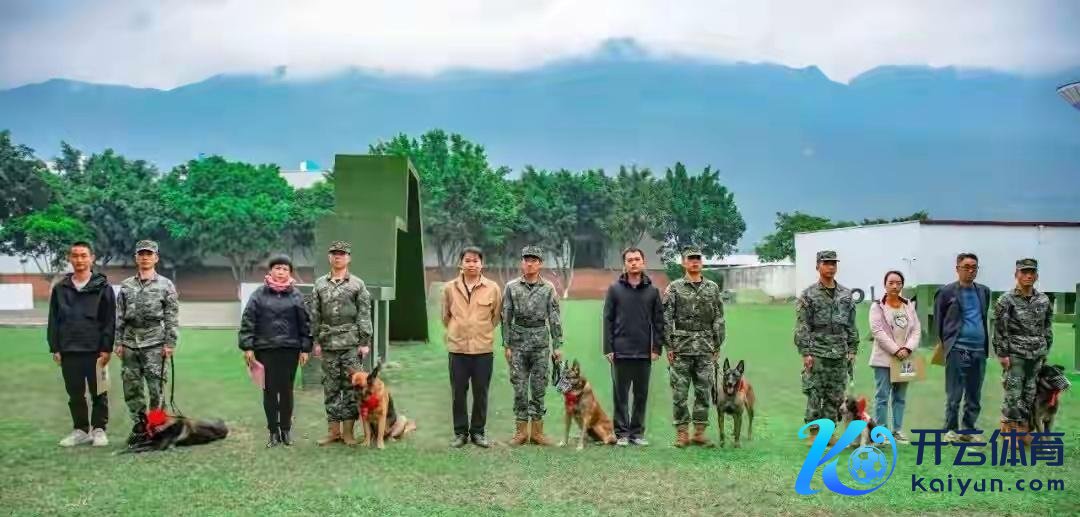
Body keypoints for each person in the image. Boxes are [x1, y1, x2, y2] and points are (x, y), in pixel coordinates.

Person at [47, 241, 116, 447]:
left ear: (92, 258)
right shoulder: (60, 288)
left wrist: (106, 348)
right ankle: (81, 430)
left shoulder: (103, 288)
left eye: (83, 255)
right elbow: (54, 320)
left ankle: (99, 429)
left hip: (96, 351)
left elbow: (109, 320)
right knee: (75, 394)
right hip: (69, 350)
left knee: (99, 392)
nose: (79, 260)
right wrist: (55, 347)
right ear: (70, 258)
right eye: (75, 255)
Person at [239, 255, 312, 448]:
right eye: (277, 268)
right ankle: (273, 431)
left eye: (285, 269)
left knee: (286, 391)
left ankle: (285, 430)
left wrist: (305, 348)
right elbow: (248, 321)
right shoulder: (258, 295)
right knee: (269, 391)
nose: (281, 272)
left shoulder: (296, 295)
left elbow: (305, 324)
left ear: (290, 272)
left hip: (290, 350)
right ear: (270, 271)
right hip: (265, 350)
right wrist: (247, 346)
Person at [115, 240, 180, 445]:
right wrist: (118, 342)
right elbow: (119, 316)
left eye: (149, 254)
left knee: (156, 390)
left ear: (156, 258)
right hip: (130, 343)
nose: (145, 257)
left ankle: (157, 429)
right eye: (141, 254)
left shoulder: (166, 285)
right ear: (136, 258)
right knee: (132, 388)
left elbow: (171, 317)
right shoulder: (126, 285)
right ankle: (140, 427)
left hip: (155, 344)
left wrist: (170, 343)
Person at [309, 241, 372, 446]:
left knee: (352, 388)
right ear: (329, 258)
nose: (338, 257)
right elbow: (315, 314)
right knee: (331, 388)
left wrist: (364, 341)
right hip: (328, 344)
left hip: (351, 344)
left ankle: (348, 433)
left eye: (342, 254)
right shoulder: (319, 284)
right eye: (334, 254)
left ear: (348, 258)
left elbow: (364, 313)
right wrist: (316, 340)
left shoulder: (357, 284)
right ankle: (333, 431)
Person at [663, 246, 725, 448]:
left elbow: (719, 317)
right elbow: (666, 318)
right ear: (684, 263)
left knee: (704, 392)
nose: (695, 262)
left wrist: (717, 344)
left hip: (706, 347)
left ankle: (699, 432)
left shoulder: (712, 288)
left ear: (702, 262)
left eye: (698, 258)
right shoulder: (674, 287)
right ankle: (682, 433)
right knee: (679, 393)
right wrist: (669, 346)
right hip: (681, 348)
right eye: (690, 259)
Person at [502, 245, 563, 446]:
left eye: (534, 260)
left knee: (538, 388)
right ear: (522, 262)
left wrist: (557, 345)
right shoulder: (511, 287)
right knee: (519, 388)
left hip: (540, 344)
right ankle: (520, 432)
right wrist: (506, 345)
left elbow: (554, 318)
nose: (530, 264)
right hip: (518, 343)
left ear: (540, 264)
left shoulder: (548, 288)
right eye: (526, 260)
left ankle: (537, 433)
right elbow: (506, 317)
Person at [795, 250, 858, 446]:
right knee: (815, 392)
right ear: (818, 266)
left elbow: (851, 324)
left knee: (836, 394)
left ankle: (829, 433)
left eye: (833, 263)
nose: (831, 267)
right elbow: (802, 325)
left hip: (839, 351)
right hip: (818, 351)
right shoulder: (808, 295)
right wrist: (806, 352)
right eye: (826, 263)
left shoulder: (846, 295)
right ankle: (814, 432)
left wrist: (852, 349)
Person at [442, 246, 502, 448]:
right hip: (457, 349)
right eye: (467, 260)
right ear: (461, 263)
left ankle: (478, 432)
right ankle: (460, 433)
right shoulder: (450, 288)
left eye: (475, 261)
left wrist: (480, 331)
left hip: (483, 350)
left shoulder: (492, 288)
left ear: (482, 264)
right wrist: (458, 330)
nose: (471, 264)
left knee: (481, 392)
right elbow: (445, 316)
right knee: (458, 393)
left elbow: (496, 317)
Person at [603, 247, 663, 446]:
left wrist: (656, 348)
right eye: (630, 260)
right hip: (620, 352)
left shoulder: (652, 292)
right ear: (625, 264)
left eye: (637, 259)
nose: (634, 263)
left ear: (643, 262)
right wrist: (608, 348)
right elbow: (607, 319)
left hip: (644, 353)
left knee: (641, 395)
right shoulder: (614, 290)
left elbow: (658, 322)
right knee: (620, 395)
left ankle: (636, 434)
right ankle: (621, 434)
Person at [933, 252, 991, 442]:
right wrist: (947, 343)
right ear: (957, 269)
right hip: (958, 349)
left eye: (974, 267)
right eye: (966, 267)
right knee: (955, 392)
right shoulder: (946, 292)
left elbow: (983, 316)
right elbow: (939, 321)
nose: (970, 271)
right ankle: (950, 429)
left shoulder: (983, 291)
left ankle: (968, 430)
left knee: (974, 393)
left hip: (978, 350)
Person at [994, 258, 1053, 439]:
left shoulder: (1043, 300)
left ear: (1036, 276)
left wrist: (1045, 349)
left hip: (1036, 355)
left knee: (1030, 393)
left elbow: (1047, 326)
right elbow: (1000, 329)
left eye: (1032, 272)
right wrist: (1003, 354)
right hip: (1015, 354)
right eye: (1024, 272)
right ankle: (1010, 432)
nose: (1028, 275)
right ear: (1016, 274)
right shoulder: (1006, 300)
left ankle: (1024, 431)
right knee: (1013, 394)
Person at [868, 270, 921, 444]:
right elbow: (877, 331)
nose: (895, 286)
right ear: (885, 285)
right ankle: (880, 432)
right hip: (884, 358)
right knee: (882, 396)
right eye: (891, 283)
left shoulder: (908, 305)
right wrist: (896, 350)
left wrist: (907, 348)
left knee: (900, 397)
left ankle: (897, 430)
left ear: (902, 285)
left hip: (905, 358)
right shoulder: (877, 306)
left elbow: (916, 330)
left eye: (898, 283)